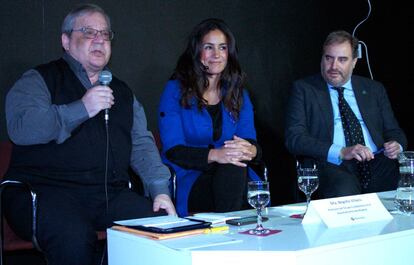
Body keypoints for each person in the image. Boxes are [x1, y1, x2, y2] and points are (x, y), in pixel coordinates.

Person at [4, 4, 175, 265]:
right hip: (43, 193)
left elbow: (141, 145)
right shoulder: (38, 79)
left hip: (105, 194)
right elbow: (22, 128)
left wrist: (160, 190)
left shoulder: (123, 92)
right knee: (74, 236)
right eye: (88, 32)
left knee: (160, 225)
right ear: (65, 40)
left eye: (105, 34)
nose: (99, 39)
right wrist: (83, 108)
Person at [158, 18, 262, 217]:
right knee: (234, 171)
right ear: (197, 52)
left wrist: (250, 149)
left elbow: (250, 140)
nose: (217, 55)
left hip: (235, 175)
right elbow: (174, 150)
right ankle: (234, 230)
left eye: (223, 48)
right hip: (191, 177)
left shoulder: (239, 94)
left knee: (234, 167)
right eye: (209, 47)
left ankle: (229, 230)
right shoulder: (175, 91)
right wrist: (217, 155)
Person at [285, 30, 407, 199]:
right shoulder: (304, 89)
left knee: (404, 186)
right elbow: (294, 138)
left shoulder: (374, 89)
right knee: (345, 193)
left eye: (342, 59)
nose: (334, 66)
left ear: (354, 62)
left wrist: (397, 145)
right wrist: (341, 151)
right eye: (329, 58)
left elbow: (395, 131)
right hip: (334, 164)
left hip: (377, 161)